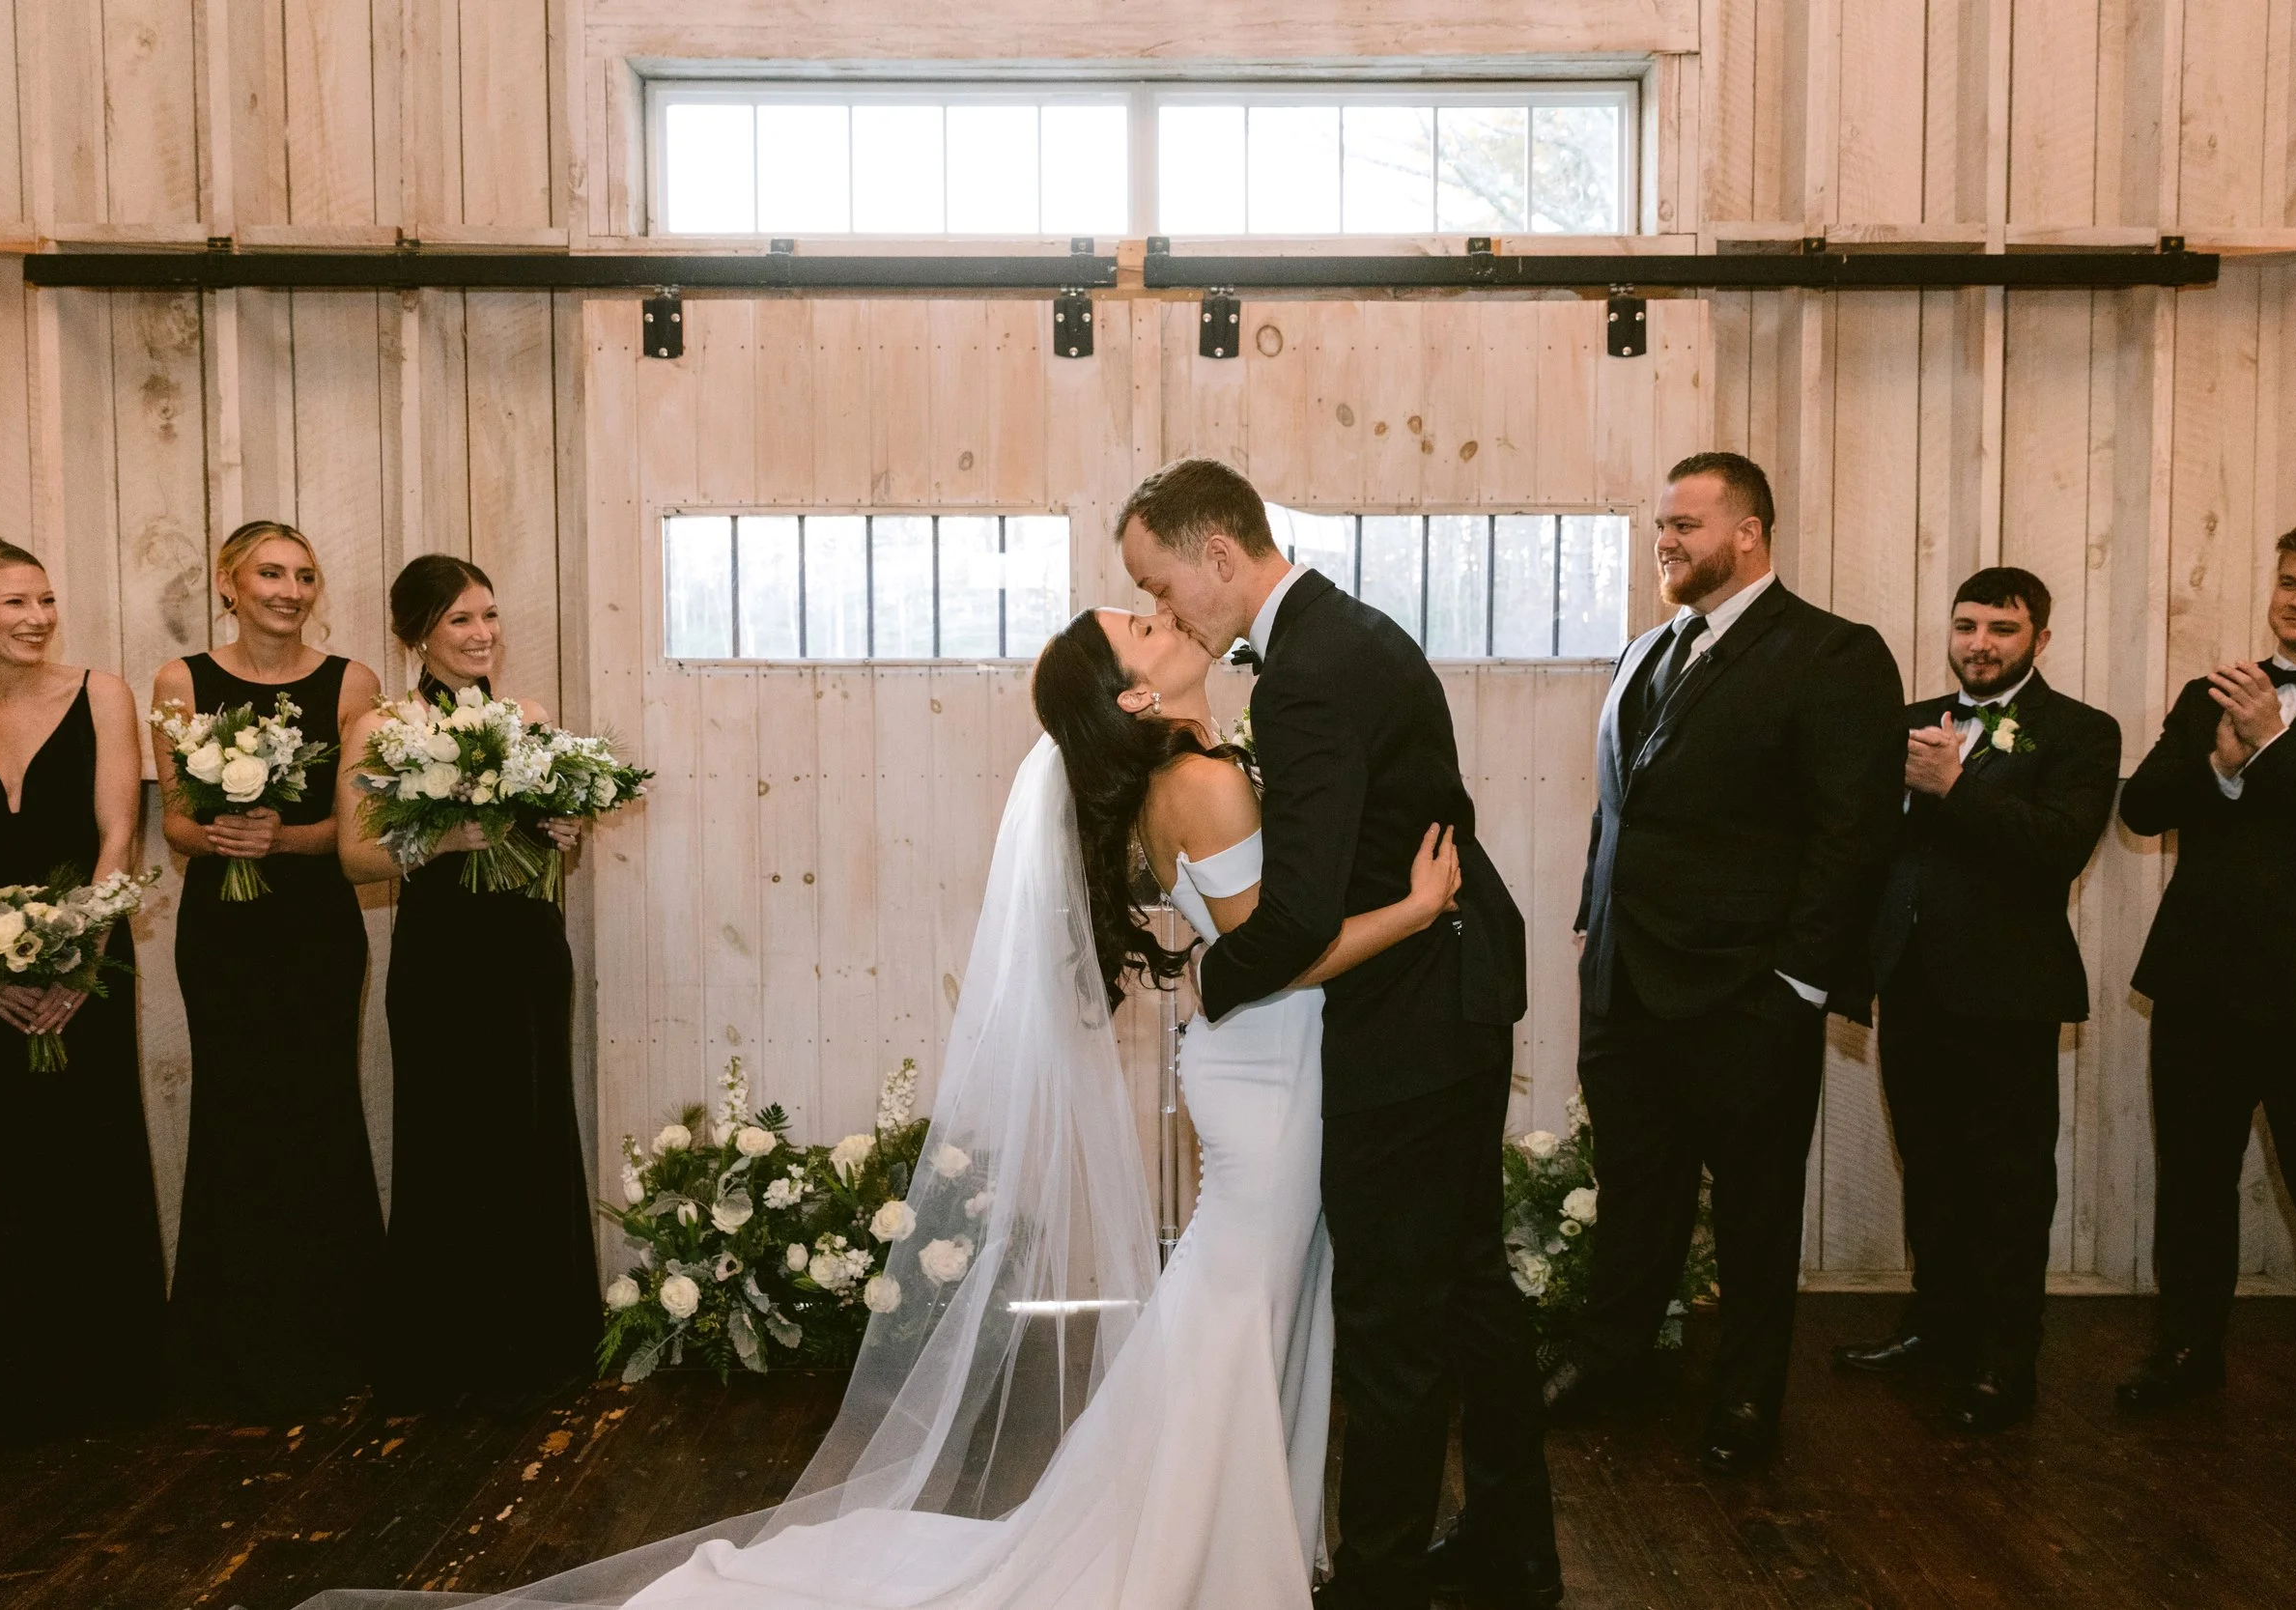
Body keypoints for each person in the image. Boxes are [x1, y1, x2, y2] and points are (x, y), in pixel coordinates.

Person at [297, 599, 1459, 1610]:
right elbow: (1262, 953)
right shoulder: (1198, 778)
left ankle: (1215, 1539)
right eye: (1143, 626)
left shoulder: (1182, 773)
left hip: (1259, 1066)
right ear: (1137, 691)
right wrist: (1411, 910)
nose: (1167, 621)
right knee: (1235, 1305)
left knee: (1246, 1303)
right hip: (1265, 1073)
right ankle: (1191, 1554)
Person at [1120, 461, 1557, 1610]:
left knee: (1392, 1315)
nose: (1166, 614)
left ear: (1219, 554)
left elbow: (1301, 910)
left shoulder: (1308, 670)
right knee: (1466, 1286)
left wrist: (1213, 980)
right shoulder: (1341, 634)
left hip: (1409, 1017)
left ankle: (1377, 1578)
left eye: (1160, 585)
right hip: (1447, 989)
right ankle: (1515, 1547)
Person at [1564, 451, 1903, 1475]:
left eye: (1684, 524)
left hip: (1747, 991)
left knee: (1755, 1210)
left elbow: (1853, 837)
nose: (1664, 541)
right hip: (1628, 983)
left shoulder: (1832, 654)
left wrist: (1797, 982)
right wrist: (1594, 922)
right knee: (1633, 1193)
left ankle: (1747, 1396)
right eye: (1661, 526)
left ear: (1748, 531)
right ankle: (1614, 1364)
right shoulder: (1644, 650)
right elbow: (1617, 810)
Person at [1832, 567, 2119, 1431]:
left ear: (2040, 636)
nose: (1980, 643)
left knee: (2011, 1178)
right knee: (1930, 1165)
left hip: (2008, 992)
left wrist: (1960, 789)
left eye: (2002, 627)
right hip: (1911, 982)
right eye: (1966, 626)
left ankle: (2006, 1355)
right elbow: (1869, 849)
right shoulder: (1909, 723)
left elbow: (2058, 848)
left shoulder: (2080, 732)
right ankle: (1936, 1325)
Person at [2115, 514, 2296, 1472]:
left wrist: (2272, 747)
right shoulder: (2211, 690)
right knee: (2190, 1182)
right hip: (2201, 987)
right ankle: (2186, 1351)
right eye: (2290, 583)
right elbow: (2142, 806)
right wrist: (2219, 766)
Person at [338, 554, 594, 1413]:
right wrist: (451, 838)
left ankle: (539, 1338)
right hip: (442, 956)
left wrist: (563, 827)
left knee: (530, 1124)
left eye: (489, 614)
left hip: (525, 945)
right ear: (417, 634)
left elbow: (561, 844)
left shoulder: (528, 716)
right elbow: (355, 855)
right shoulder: (384, 727)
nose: (482, 633)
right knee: (451, 1134)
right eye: (460, 620)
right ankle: (454, 1346)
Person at [158, 520, 389, 1417]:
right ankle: (229, 1343)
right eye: (269, 573)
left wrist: (279, 837)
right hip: (220, 927)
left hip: (316, 926)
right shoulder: (182, 680)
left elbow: (363, 826)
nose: (289, 591)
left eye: (304, 575)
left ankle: (335, 1334)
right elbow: (176, 819)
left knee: (319, 1107)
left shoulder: (352, 681)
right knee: (234, 1111)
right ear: (229, 581)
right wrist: (219, 833)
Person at [0, 532, 164, 1437]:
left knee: (85, 1160)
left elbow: (118, 836)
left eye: (46, 600)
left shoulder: (102, 695)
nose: (38, 618)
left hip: (86, 970)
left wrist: (78, 956)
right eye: (15, 603)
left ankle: (106, 1383)